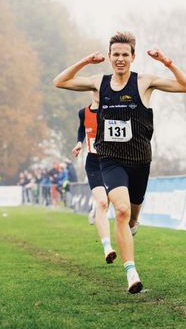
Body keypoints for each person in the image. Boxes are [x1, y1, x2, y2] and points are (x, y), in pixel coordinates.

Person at [54, 31, 186, 293]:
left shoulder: (144, 82)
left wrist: (166, 61)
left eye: (125, 55)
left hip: (140, 160)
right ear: (109, 57)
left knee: (131, 219)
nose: (120, 59)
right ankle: (131, 272)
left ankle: (131, 226)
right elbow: (59, 81)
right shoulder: (99, 82)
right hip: (110, 159)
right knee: (119, 211)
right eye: (115, 54)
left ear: (133, 57)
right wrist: (86, 61)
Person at [72, 91, 117, 264]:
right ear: (92, 92)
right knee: (103, 202)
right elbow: (82, 128)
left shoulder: (112, 110)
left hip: (112, 161)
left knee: (109, 200)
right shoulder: (83, 112)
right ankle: (107, 248)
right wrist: (78, 143)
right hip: (93, 163)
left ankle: (95, 211)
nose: (99, 93)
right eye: (96, 90)